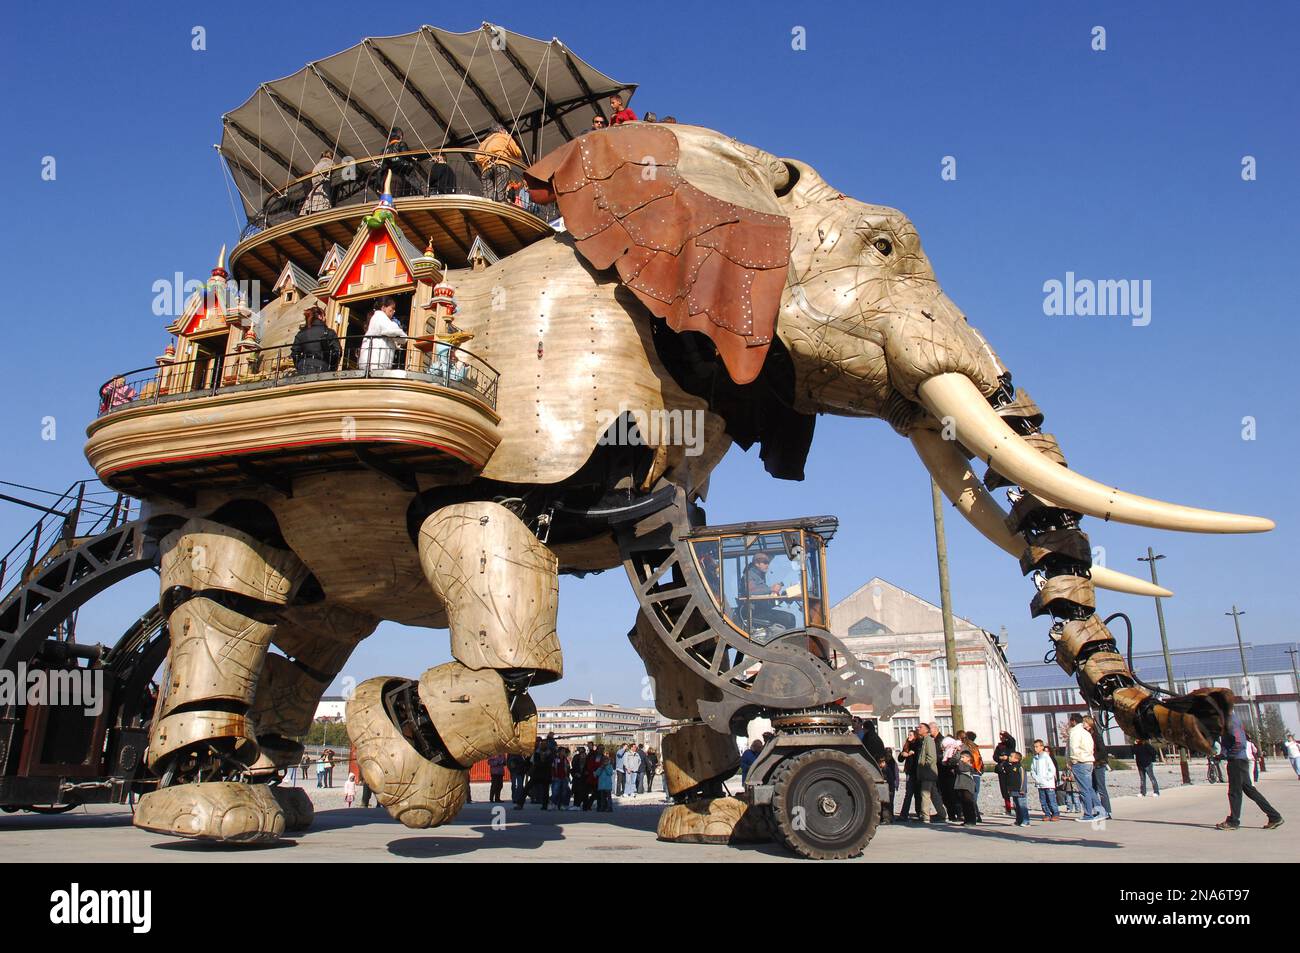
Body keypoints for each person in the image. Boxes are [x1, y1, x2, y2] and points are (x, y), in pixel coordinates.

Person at [1216, 706, 1284, 830]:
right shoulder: (1228, 721)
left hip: (1237, 761)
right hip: (1238, 760)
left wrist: (1229, 755)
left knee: (1234, 792)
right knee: (1249, 790)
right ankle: (1274, 817)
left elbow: (1240, 742)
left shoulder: (1231, 721)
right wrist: (1222, 755)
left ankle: (1233, 821)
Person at [741, 551, 796, 634]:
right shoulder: (749, 575)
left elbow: (765, 600)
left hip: (763, 611)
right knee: (789, 619)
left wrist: (783, 597)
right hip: (755, 613)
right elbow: (750, 592)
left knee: (790, 618)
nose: (767, 565)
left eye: (768, 563)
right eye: (765, 563)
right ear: (757, 563)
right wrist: (771, 589)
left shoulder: (759, 577)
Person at [477, 124, 523, 203]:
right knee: (500, 194)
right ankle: (500, 207)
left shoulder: (484, 142)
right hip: (501, 166)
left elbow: (477, 158)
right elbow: (518, 153)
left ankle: (487, 208)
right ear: (501, 130)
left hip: (487, 169)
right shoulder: (505, 137)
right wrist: (507, 135)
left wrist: (488, 159)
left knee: (487, 196)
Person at [291, 303, 341, 374]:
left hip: (303, 368)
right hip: (323, 368)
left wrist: (300, 365)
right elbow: (337, 352)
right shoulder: (329, 332)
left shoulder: (301, 334)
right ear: (320, 316)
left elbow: (294, 353)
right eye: (324, 316)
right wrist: (332, 367)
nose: (325, 318)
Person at [1067, 713, 1100, 821]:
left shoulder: (1075, 732)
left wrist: (1072, 761)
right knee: (1089, 788)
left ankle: (1088, 814)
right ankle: (1100, 811)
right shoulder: (1086, 732)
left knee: (1083, 790)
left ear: (1073, 721)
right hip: (1089, 761)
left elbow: (1073, 748)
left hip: (1080, 762)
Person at [359, 297, 406, 371]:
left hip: (373, 362)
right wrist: (403, 336)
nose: (394, 311)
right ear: (383, 308)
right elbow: (393, 331)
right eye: (392, 308)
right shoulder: (380, 317)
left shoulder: (376, 318)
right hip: (376, 362)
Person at [916, 722, 946, 823]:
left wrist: (924, 767)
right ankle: (942, 814)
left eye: (920, 727)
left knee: (925, 794)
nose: (918, 729)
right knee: (934, 794)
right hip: (928, 772)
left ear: (926, 730)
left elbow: (931, 757)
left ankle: (925, 817)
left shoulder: (928, 740)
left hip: (928, 772)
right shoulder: (924, 740)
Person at [1085, 715, 1113, 819]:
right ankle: (1098, 811)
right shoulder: (1087, 736)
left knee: (1101, 788)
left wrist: (1092, 757)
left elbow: (1102, 751)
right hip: (1091, 764)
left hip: (1098, 764)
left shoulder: (1096, 736)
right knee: (1093, 789)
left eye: (1085, 723)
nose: (1083, 725)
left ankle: (1107, 811)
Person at [1029, 739, 1061, 821]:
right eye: (1034, 747)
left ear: (1042, 747)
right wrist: (1036, 777)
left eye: (1037, 746)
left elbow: (1052, 769)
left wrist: (1046, 778)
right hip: (1039, 783)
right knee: (1043, 800)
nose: (1035, 748)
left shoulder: (1046, 757)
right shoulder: (1035, 758)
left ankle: (1055, 814)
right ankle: (1047, 814)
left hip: (1048, 783)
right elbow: (1032, 770)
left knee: (1051, 799)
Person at [897, 730, 922, 821]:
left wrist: (912, 754)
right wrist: (903, 754)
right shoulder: (907, 745)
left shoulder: (917, 744)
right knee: (908, 794)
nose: (909, 736)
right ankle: (904, 814)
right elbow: (900, 759)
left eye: (911, 735)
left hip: (916, 772)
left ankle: (919, 813)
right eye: (908, 735)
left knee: (917, 794)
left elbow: (918, 757)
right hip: (909, 772)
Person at [300, 150, 334, 214]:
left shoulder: (316, 166)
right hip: (321, 194)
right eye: (331, 156)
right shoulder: (327, 164)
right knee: (322, 212)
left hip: (314, 195)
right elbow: (331, 170)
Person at [992, 730, 1016, 815]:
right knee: (1004, 790)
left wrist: (1005, 733)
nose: (1001, 738)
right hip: (1002, 770)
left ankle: (1017, 807)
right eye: (1000, 736)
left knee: (1013, 788)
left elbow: (1011, 740)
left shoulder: (1010, 744)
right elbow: (995, 757)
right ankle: (1008, 808)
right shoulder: (999, 746)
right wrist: (1000, 757)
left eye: (1003, 736)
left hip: (1010, 769)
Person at [954, 751, 980, 825]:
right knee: (964, 804)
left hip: (967, 787)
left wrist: (957, 756)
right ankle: (967, 820)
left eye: (963, 757)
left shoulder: (968, 766)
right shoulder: (962, 764)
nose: (961, 759)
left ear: (968, 758)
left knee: (969, 804)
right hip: (961, 786)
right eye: (961, 757)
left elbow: (960, 768)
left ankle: (972, 821)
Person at [963, 731, 984, 821]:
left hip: (971, 772)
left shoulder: (967, 747)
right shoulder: (975, 747)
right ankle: (976, 815)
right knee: (974, 794)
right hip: (976, 772)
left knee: (970, 795)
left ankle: (974, 815)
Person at [1007, 751, 1030, 826]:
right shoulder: (1010, 767)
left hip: (1020, 790)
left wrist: (1022, 789)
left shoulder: (1020, 767)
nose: (1009, 757)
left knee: (1022, 805)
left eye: (1011, 756)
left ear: (1016, 759)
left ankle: (1026, 821)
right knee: (1016, 806)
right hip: (1013, 790)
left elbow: (1023, 779)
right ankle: (1019, 820)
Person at [881, 749, 898, 820]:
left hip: (890, 785)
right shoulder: (887, 763)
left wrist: (896, 784)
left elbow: (896, 775)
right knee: (887, 802)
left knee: (889, 802)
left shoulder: (891, 764)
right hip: (889, 785)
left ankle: (888, 817)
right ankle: (888, 816)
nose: (888, 756)